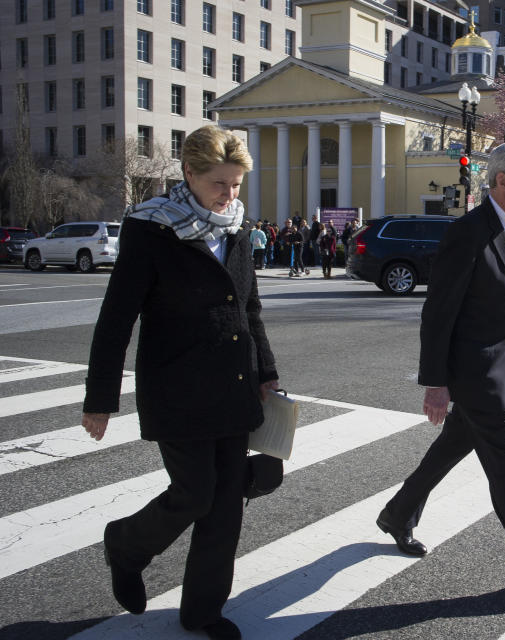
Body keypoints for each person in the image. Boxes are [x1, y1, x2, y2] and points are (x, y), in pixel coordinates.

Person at [81, 125, 280, 640]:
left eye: (237, 184)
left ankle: (203, 612)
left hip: (234, 384)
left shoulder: (236, 226)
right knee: (195, 495)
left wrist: (267, 372)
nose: (229, 196)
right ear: (188, 173)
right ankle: (125, 546)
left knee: (225, 509)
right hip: (176, 387)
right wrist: (100, 397)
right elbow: (116, 318)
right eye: (219, 183)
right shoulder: (151, 230)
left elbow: (248, 309)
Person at [376, 142, 505, 602]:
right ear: (502, 181)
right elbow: (438, 312)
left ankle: (398, 513)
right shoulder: (469, 232)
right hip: (476, 375)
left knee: (451, 447)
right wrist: (436, 383)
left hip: (501, 368)